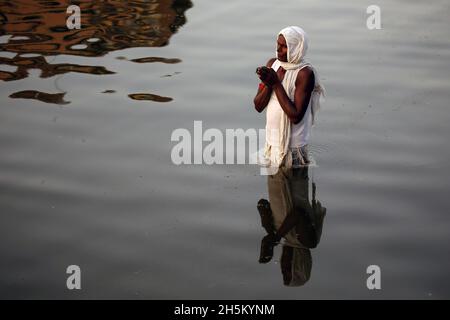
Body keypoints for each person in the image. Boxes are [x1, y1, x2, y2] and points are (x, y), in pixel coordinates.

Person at [254, 26, 324, 170]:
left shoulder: (304, 74)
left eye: (284, 46)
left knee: (296, 191)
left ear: (296, 48)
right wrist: (268, 84)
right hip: (272, 145)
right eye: (278, 44)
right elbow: (258, 106)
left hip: (294, 150)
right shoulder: (272, 64)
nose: (278, 49)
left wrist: (276, 84)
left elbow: (296, 116)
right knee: (274, 191)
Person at [257, 166, 327, 286]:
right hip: (294, 171)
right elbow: (297, 214)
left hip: (275, 170)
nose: (283, 264)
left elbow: (262, 204)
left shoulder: (284, 233)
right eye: (287, 270)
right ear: (299, 266)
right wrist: (277, 236)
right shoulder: (308, 242)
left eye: (282, 271)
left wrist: (270, 232)